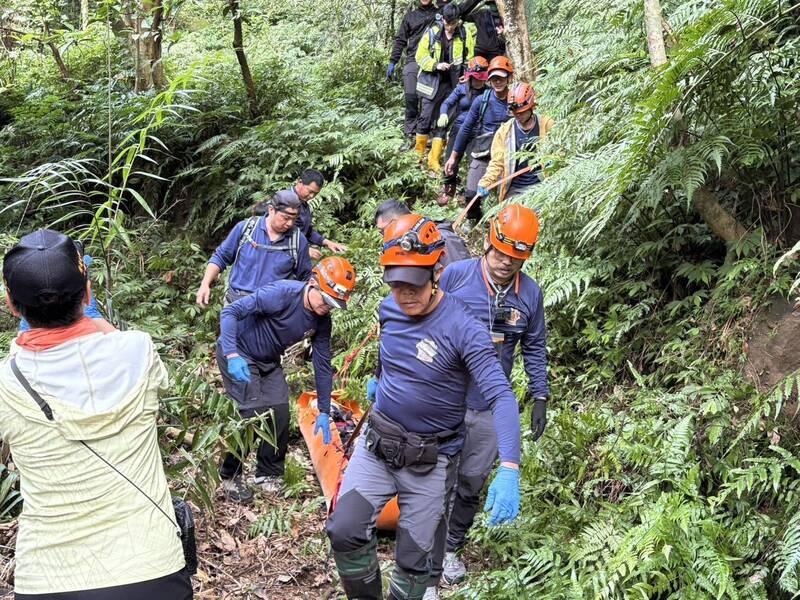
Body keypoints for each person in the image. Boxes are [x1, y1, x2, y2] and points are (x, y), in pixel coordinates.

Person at [326, 214, 521, 600]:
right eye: (396, 284)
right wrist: (381, 380)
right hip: (378, 445)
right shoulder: (389, 309)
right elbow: (392, 353)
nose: (404, 295)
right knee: (344, 529)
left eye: (414, 284)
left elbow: (500, 395)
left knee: (415, 562)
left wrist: (510, 466)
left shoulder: (465, 328)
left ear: (438, 269)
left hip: (430, 461)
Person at [0, 230, 192, 599]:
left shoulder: (6, 382)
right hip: (152, 570)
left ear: (11, 304)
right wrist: (92, 321)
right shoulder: (138, 350)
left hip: (50, 578)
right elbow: (114, 350)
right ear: (88, 293)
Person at [433, 204, 549, 588]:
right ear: (487, 243)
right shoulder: (454, 277)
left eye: (514, 258)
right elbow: (423, 326)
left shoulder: (529, 294)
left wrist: (540, 395)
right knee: (437, 478)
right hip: (445, 398)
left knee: (470, 482)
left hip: (488, 404)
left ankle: (451, 547)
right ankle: (424, 554)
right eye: (499, 253)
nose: (504, 263)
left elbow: (534, 346)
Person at [216, 256, 356, 502]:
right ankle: (229, 475)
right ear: (313, 283)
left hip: (269, 361)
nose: (327, 307)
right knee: (252, 414)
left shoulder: (322, 320)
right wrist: (231, 353)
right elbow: (231, 311)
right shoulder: (282, 293)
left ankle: (268, 474)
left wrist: (324, 410)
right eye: (325, 299)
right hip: (240, 352)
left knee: (280, 412)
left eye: (333, 304)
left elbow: (322, 364)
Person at [195, 192, 312, 308]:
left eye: (294, 219)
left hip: (274, 313)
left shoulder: (297, 240)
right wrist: (205, 284)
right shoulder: (246, 229)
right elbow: (221, 257)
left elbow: (305, 277)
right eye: (285, 218)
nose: (289, 224)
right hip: (237, 304)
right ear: (271, 210)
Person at [443, 55, 514, 221]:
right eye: (494, 78)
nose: (497, 82)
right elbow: (466, 128)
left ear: (509, 78)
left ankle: (498, 225)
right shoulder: (482, 101)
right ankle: (473, 219)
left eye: (501, 78)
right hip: (483, 152)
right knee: (471, 193)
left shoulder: (514, 100)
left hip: (508, 154)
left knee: (506, 195)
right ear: (489, 79)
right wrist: (453, 157)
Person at [413, 4, 476, 173]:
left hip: (453, 83)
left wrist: (467, 74)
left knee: (444, 120)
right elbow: (420, 56)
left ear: (457, 21)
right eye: (447, 23)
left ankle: (434, 160)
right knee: (425, 118)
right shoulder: (433, 32)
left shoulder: (464, 34)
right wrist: (435, 65)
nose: (449, 27)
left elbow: (470, 59)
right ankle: (417, 156)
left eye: (452, 24)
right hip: (431, 82)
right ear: (443, 19)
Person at [475, 82, 554, 202]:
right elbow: (497, 162)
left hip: (542, 186)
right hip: (515, 189)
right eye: (515, 112)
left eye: (522, 112)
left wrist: (553, 162)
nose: (519, 115)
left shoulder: (547, 125)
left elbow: (560, 150)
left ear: (531, 107)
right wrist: (486, 182)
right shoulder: (504, 132)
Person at [387, 0, 444, 146]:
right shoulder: (410, 17)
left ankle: (427, 132)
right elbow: (400, 40)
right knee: (411, 98)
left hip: (431, 61)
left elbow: (455, 13)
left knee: (429, 99)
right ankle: (410, 133)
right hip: (413, 61)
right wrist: (393, 61)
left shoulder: (439, 13)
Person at [435, 56, 488, 206]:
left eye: (482, 78)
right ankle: (448, 190)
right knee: (450, 161)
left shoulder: (488, 93)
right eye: (477, 78)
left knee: (474, 164)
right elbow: (447, 103)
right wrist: (443, 113)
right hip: (459, 129)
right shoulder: (461, 89)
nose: (479, 81)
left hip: (477, 132)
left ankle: (472, 196)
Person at [281, 169, 348, 260]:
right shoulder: (283, 202)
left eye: (316, 194)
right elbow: (274, 235)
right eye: (310, 191)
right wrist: (304, 250)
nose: (312, 196)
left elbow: (308, 231)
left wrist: (327, 243)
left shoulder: (303, 204)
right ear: (300, 182)